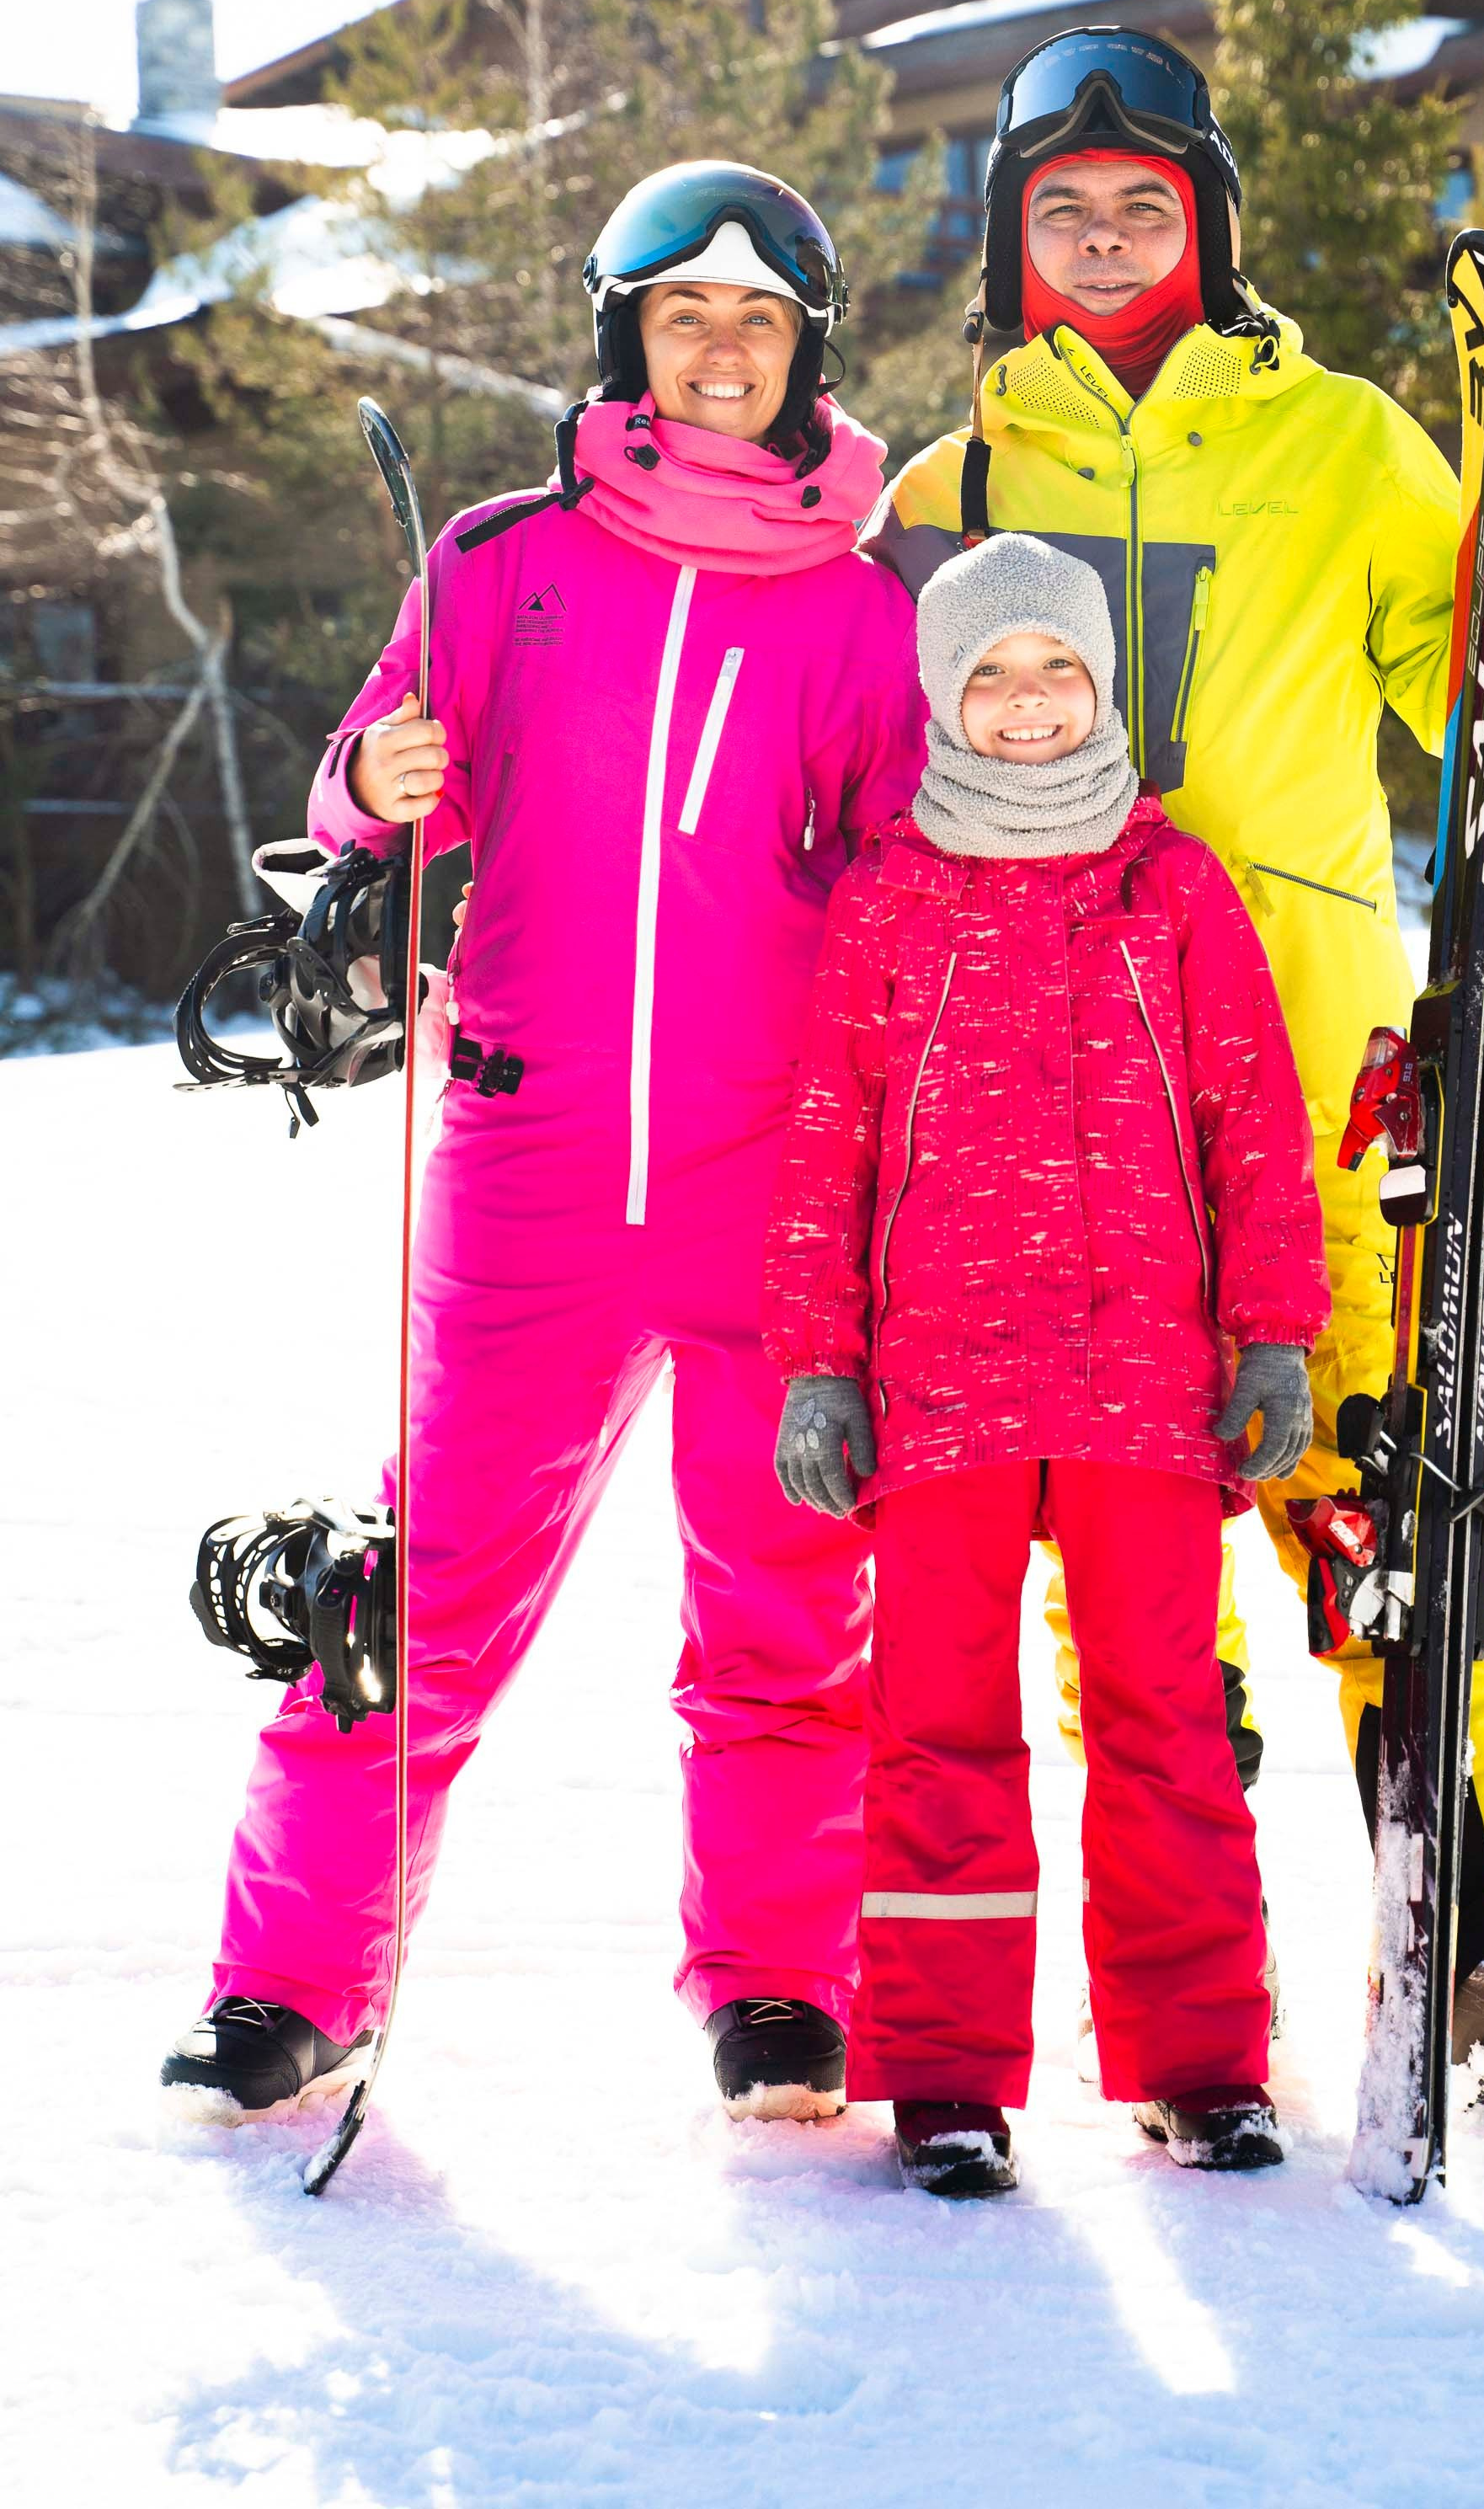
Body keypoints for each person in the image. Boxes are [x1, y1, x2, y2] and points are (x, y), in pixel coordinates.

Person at [867, 29, 1484, 2057]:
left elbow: (1466, 692)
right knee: (1129, 1537)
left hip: (1306, 1050)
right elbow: (875, 787)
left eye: (1145, 205)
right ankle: (1193, 1968)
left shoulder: (1344, 440)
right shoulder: (947, 490)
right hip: (1049, 1089)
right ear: (1010, 242)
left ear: (1207, 224)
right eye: (1061, 209)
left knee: (1390, 1464)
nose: (1105, 239)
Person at [163, 164, 929, 2127]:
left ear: (806, 352)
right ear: (626, 338)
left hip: (777, 1194)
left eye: (759, 320)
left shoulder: (865, 613)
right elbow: (366, 808)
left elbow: (904, 892)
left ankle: (780, 1983)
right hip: (530, 1178)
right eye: (684, 315)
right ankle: (290, 1984)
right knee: (418, 1593)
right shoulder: (505, 562)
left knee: (788, 1609)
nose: (722, 349)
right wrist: (375, 775)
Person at [764, 531, 1329, 2195]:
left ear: (1102, 684)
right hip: (937, 1386)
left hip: (1143, 1381)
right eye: (991, 674)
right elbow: (826, 1142)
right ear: (943, 694)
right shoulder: (888, 895)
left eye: (1057, 669)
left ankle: (1200, 2058)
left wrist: (1272, 1336)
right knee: (938, 1731)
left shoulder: (1174, 886)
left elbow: (1254, 1120)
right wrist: (818, 1362)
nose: (1027, 702)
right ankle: (944, 2075)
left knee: (1165, 1720)